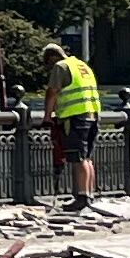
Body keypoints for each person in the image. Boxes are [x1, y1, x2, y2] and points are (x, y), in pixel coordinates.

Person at [41, 42, 102, 206]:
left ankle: (81, 198)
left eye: (47, 63)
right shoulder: (82, 66)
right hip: (92, 115)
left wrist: (47, 115)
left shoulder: (61, 67)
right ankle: (88, 195)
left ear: (52, 57)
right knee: (87, 158)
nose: (48, 68)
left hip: (74, 117)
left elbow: (52, 92)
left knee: (78, 157)